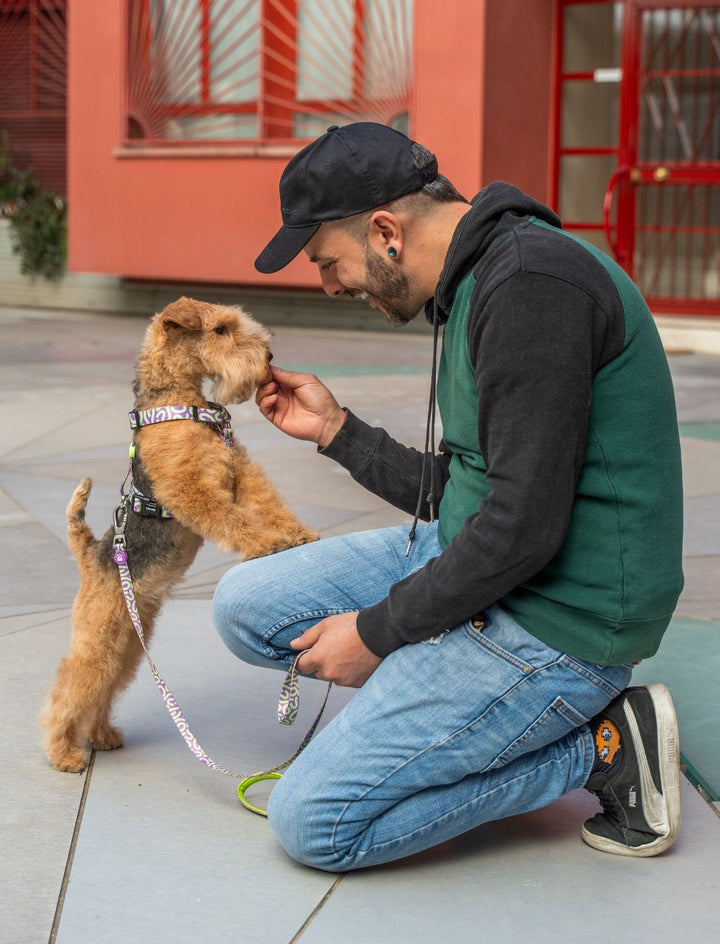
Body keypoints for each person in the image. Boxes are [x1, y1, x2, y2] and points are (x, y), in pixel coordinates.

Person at [213, 122, 684, 871]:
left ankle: (602, 748)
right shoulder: (474, 282)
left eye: (328, 261)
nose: (330, 285)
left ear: (386, 232)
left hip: (561, 619)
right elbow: (471, 489)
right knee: (244, 606)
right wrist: (335, 430)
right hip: (484, 563)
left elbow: (523, 527)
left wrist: (378, 633)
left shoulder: (533, 287)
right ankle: (445, 694)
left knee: (314, 823)